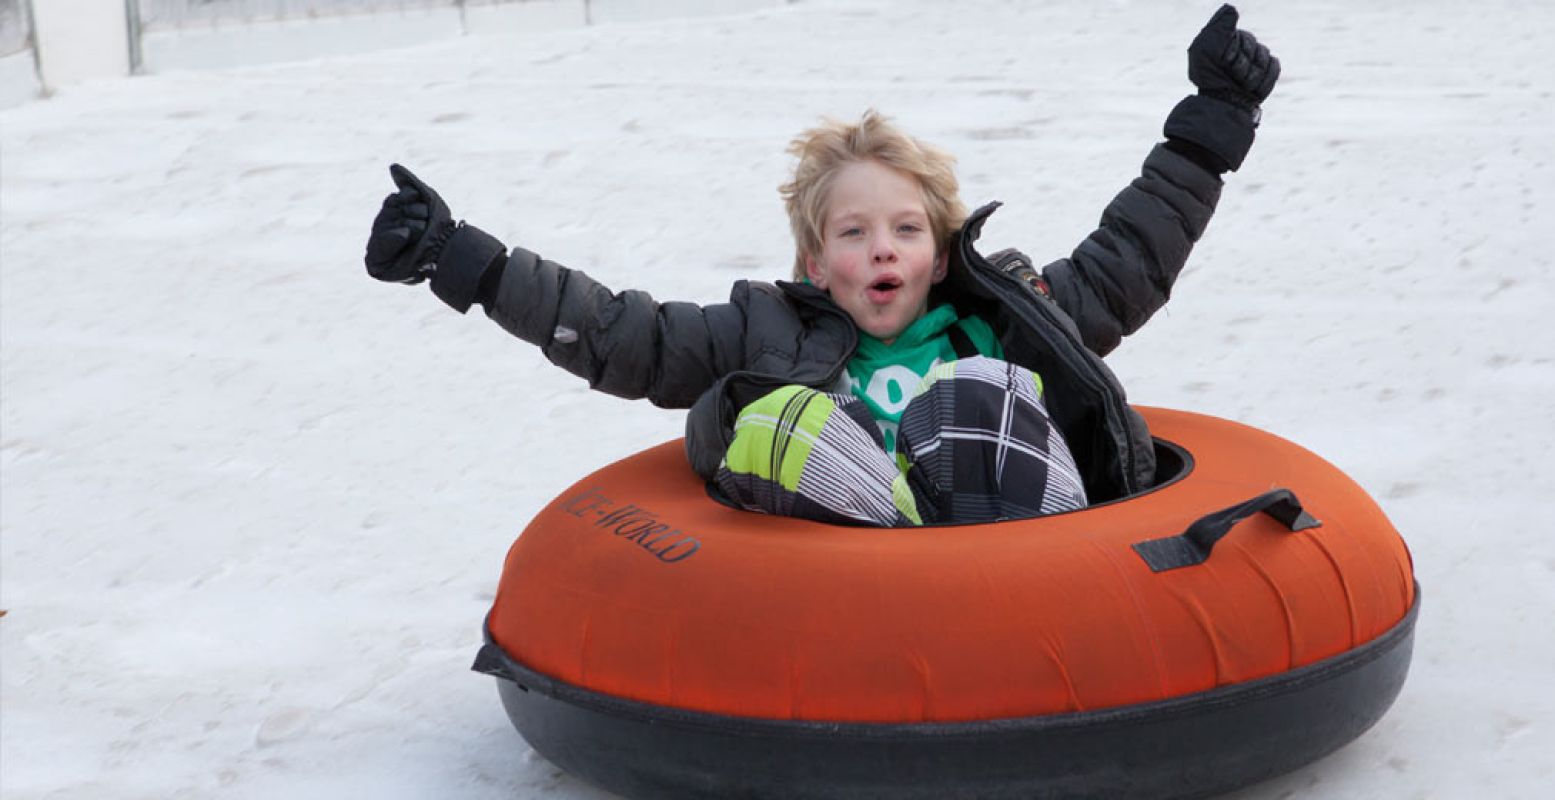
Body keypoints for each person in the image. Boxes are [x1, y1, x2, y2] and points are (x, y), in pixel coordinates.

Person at [364, 4, 1279, 527]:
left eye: (906, 230)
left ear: (940, 246)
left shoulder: (1005, 316)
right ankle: (890, 542)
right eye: (853, 233)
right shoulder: (766, 331)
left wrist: (1213, 122)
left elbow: (1130, 258)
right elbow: (620, 335)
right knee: (787, 419)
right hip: (843, 582)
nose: (881, 247)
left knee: (976, 398)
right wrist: (464, 261)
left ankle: (1004, 574)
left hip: (1021, 565)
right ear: (815, 260)